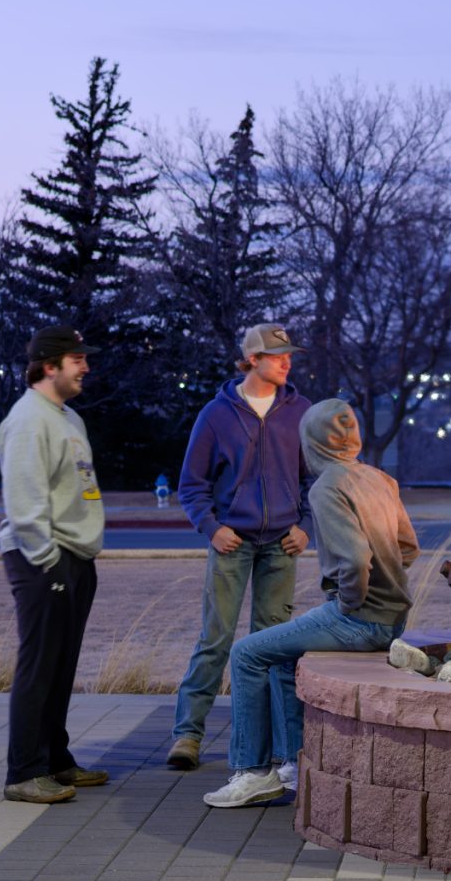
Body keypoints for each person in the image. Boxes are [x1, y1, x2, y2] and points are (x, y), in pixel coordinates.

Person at [206, 399, 417, 808]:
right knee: (285, 657)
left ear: (313, 443)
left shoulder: (328, 487)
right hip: (393, 618)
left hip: (359, 619)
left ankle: (251, 771)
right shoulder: (379, 479)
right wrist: (383, 576)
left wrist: (348, 602)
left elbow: (355, 559)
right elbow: (408, 548)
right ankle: (294, 765)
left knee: (247, 653)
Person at [166, 324, 315, 772]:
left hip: (281, 546)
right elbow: (192, 485)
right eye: (277, 355)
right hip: (232, 543)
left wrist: (306, 526)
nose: (287, 362)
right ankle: (187, 735)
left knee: (270, 645)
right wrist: (211, 528)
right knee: (216, 639)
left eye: (289, 354)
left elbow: (315, 479)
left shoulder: (302, 411)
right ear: (252, 359)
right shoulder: (216, 414)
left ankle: (271, 743)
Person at [0, 327, 107, 805]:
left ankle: (56, 761)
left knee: (61, 666)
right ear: (49, 366)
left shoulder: (67, 418)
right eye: (77, 359)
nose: (85, 368)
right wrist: (47, 561)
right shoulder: (28, 420)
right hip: (42, 558)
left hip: (75, 556)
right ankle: (24, 773)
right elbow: (24, 500)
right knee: (39, 665)